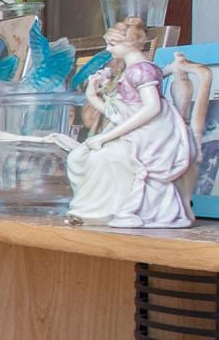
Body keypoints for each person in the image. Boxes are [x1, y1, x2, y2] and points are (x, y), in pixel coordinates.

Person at [54, 17, 199, 229]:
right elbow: (129, 102)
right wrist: (92, 92)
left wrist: (106, 136)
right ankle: (96, 209)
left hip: (151, 131)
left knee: (101, 158)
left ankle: (104, 208)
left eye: (112, 44)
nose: (108, 49)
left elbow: (152, 108)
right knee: (83, 155)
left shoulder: (140, 70)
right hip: (135, 123)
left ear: (128, 44)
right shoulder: (138, 68)